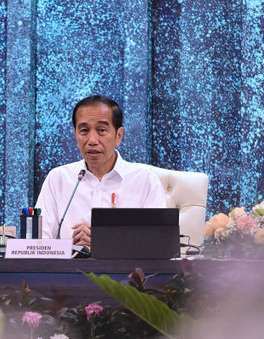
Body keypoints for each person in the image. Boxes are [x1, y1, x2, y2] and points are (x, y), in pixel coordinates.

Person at [35, 95, 166, 247]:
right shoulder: (58, 178)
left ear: (119, 136)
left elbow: (157, 245)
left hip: (126, 271)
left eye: (101, 130)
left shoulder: (144, 180)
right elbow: (39, 244)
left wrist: (104, 243)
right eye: (84, 131)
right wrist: (70, 247)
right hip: (70, 270)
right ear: (75, 136)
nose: (92, 140)